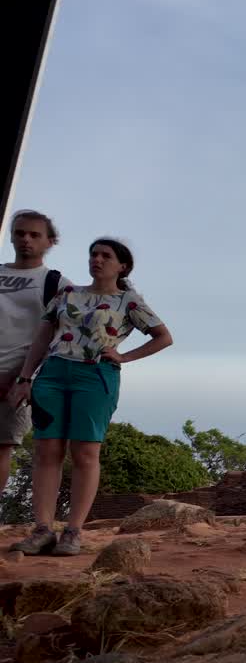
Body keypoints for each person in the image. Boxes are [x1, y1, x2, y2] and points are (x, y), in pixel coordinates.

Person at [9, 237, 172, 556]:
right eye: (93, 254)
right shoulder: (68, 294)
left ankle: (73, 531)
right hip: (53, 373)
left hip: (95, 375)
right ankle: (43, 529)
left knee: (85, 452)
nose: (97, 260)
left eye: (105, 256)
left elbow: (163, 337)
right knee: (46, 450)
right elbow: (43, 335)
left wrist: (125, 357)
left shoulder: (129, 301)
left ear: (122, 266)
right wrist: (26, 377)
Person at [0, 210, 65, 503]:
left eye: (34, 235)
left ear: (50, 241)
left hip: (17, 378)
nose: (25, 239)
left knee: (2, 447)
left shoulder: (56, 283)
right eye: (20, 233)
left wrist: (30, 378)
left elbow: (67, 333)